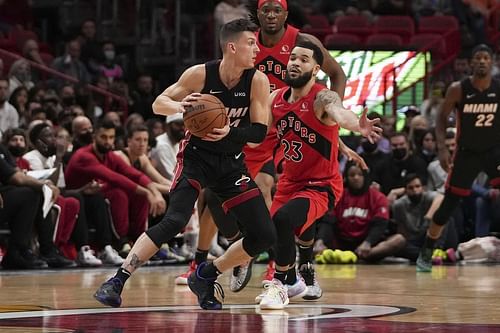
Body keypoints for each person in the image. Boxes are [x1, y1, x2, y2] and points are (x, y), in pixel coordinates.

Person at [94, 18, 276, 310]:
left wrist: (231, 132)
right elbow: (158, 103)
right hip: (196, 158)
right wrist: (179, 107)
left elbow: (257, 134)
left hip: (231, 162)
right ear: (232, 46)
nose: (257, 48)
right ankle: (117, 279)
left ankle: (206, 274)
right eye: (251, 42)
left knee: (264, 235)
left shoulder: (257, 80)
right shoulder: (200, 74)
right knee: (175, 220)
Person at [257, 41, 381, 309]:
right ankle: (297, 277)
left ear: (315, 70)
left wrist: (354, 124)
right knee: (272, 229)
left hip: (322, 185)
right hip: (290, 181)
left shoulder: (322, 96)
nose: (295, 63)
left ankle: (281, 284)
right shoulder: (274, 99)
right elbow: (260, 136)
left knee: (284, 219)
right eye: (292, 58)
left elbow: (338, 112)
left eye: (303, 60)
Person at [416, 44, 500, 272]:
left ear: (492, 63)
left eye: (486, 58)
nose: (482, 61)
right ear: (471, 63)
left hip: (494, 151)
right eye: (478, 58)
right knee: (448, 204)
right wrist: (442, 149)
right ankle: (427, 249)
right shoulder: (458, 89)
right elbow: (441, 119)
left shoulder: (498, 87)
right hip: (466, 153)